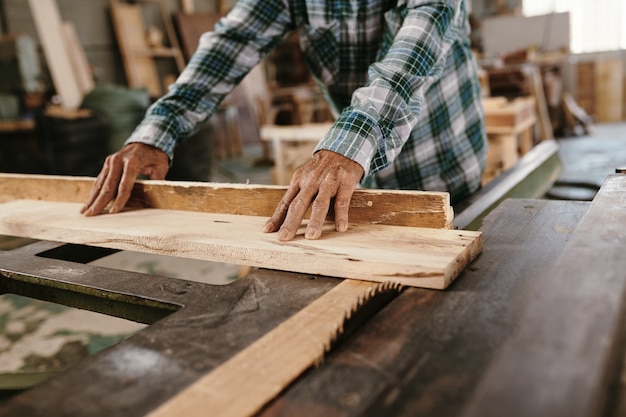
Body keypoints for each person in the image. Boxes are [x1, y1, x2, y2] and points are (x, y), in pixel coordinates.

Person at [81, 0, 487, 242]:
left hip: (444, 167)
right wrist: (157, 132)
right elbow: (229, 45)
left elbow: (411, 55)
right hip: (362, 175)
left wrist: (348, 144)